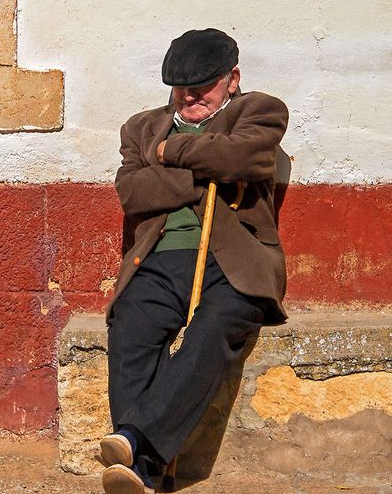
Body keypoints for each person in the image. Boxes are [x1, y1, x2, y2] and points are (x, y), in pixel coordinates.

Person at [100, 28, 289, 493]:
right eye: (181, 87)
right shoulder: (141, 127)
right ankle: (143, 472)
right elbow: (132, 192)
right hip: (160, 258)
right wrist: (204, 173)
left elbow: (242, 159)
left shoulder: (260, 111)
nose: (190, 96)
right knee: (129, 326)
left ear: (232, 79)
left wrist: (169, 157)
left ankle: (134, 441)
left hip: (237, 264)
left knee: (215, 327)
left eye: (203, 84)